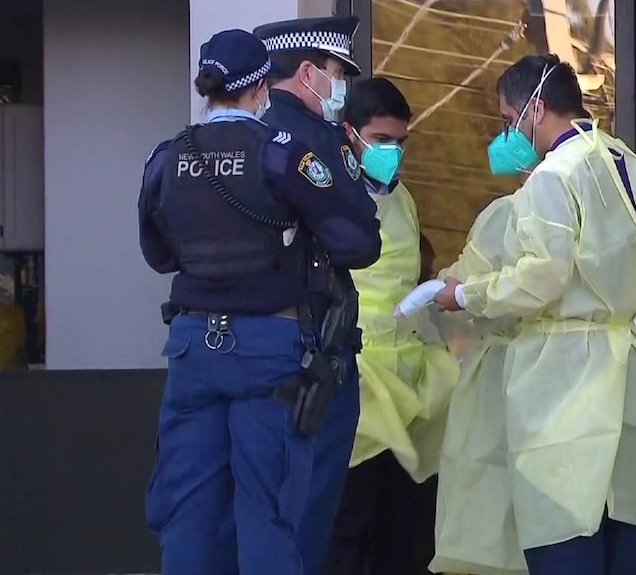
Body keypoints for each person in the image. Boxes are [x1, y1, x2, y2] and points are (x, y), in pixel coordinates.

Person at [138, 29, 380, 575]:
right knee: (269, 509)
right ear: (260, 89)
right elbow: (357, 242)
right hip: (269, 349)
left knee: (189, 509)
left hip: (192, 349)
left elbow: (157, 254)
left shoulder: (165, 157)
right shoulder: (279, 154)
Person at [433, 53, 636, 575]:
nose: (506, 133)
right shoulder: (620, 159)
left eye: (506, 119)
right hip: (619, 367)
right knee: (623, 523)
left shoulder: (552, 177)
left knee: (561, 527)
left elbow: (542, 275)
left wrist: (467, 295)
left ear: (535, 109)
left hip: (562, 378)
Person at [322, 77, 459, 575]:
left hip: (408, 388)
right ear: (350, 133)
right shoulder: (327, 196)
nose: (393, 153)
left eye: (401, 142)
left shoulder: (402, 200)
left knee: (406, 529)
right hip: (354, 385)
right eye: (382, 141)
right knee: (346, 526)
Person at [252, 17, 371, 574]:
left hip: (242, 348)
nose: (341, 85)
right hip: (313, 354)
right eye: (336, 73)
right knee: (307, 507)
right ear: (307, 73)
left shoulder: (242, 133)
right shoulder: (319, 138)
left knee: (255, 507)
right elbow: (361, 239)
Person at [429, 193, 525, 575]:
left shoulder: (510, 213)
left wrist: (442, 292)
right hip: (550, 371)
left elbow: (461, 285)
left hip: (499, 374)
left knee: (485, 503)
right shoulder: (593, 209)